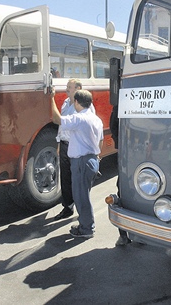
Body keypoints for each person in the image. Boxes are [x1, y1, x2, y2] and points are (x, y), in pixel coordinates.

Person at [51, 88, 103, 238]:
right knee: (83, 196)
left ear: (76, 102)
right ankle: (85, 224)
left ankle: (86, 228)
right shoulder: (96, 119)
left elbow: (57, 119)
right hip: (92, 160)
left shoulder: (79, 118)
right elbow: (100, 140)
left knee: (81, 197)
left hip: (81, 162)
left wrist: (51, 98)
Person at [54, 79, 95, 221]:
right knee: (65, 177)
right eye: (67, 87)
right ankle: (68, 207)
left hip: (77, 146)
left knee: (77, 180)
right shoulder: (66, 103)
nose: (67, 89)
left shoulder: (86, 108)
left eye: (70, 87)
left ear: (78, 88)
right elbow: (62, 127)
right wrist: (59, 143)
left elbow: (90, 129)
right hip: (65, 144)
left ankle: (83, 214)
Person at [110, 105, 131, 246]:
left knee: (123, 192)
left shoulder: (123, 104)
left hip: (127, 156)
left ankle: (124, 235)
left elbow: (113, 127)